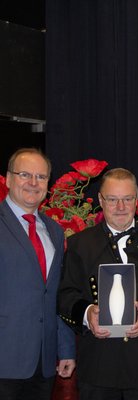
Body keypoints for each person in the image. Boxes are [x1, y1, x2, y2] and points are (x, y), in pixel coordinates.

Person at [57, 167, 138, 400]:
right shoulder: (79, 244)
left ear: (136, 199)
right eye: (112, 200)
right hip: (98, 366)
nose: (120, 207)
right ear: (100, 200)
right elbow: (65, 295)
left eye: (127, 199)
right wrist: (87, 313)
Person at [0, 148, 76, 400]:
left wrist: (66, 349)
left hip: (43, 363)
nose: (33, 183)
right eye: (25, 174)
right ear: (8, 179)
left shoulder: (53, 230)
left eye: (41, 177)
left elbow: (55, 295)